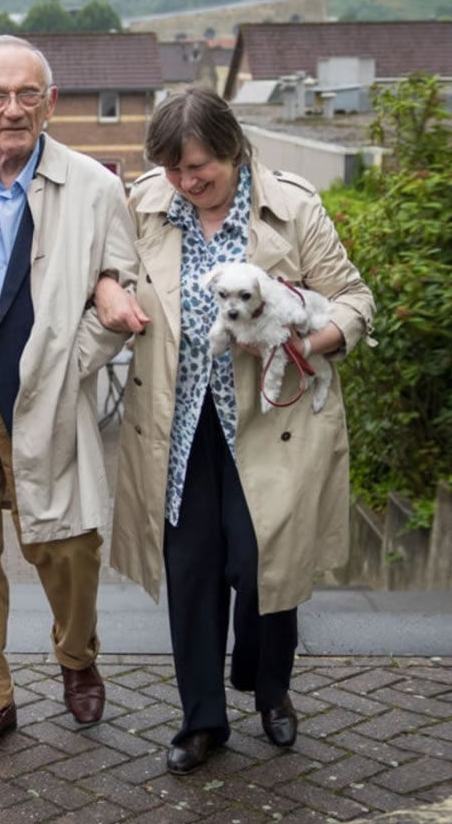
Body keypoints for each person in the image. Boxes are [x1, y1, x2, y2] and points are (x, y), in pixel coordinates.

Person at [110, 87, 374, 774]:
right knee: (192, 571)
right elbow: (106, 277)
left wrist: (310, 343)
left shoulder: (290, 207)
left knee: (263, 566)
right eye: (174, 170)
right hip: (177, 422)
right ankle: (201, 719)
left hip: (270, 421)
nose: (188, 183)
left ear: (233, 149)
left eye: (201, 168)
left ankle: (271, 686)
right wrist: (106, 291)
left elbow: (354, 299)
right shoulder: (145, 206)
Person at [0, 34, 148, 765]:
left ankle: (77, 655)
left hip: (46, 398)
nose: (13, 110)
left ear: (53, 102)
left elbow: (123, 290)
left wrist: (72, 358)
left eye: (28, 95)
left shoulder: (96, 187)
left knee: (68, 546)